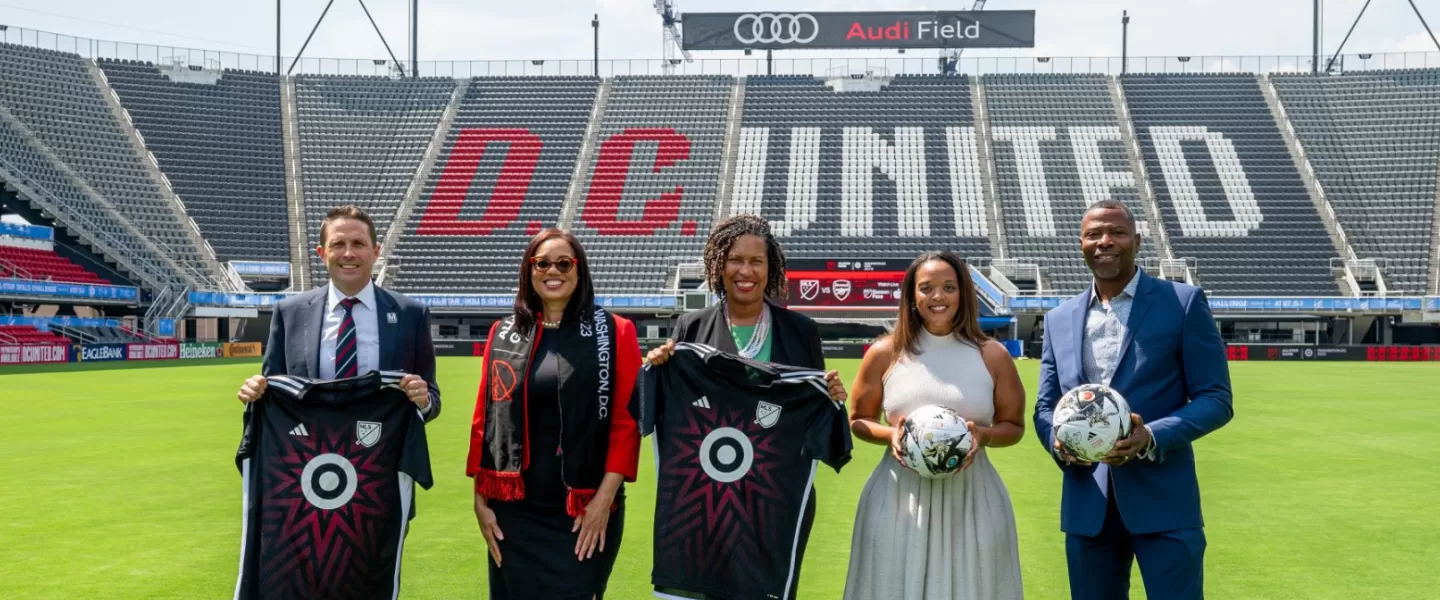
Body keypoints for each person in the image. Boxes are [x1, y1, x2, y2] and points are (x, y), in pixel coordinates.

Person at [1033, 200, 1234, 600]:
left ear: (1137, 241)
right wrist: (1060, 445)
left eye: (1117, 232)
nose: (1104, 241)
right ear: (1081, 244)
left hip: (1164, 503)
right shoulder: (1060, 318)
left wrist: (1152, 436)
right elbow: (1045, 407)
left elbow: (1216, 397)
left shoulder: (1182, 303)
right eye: (1094, 234)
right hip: (1087, 505)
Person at [466, 229, 642, 600]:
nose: (553, 271)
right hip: (514, 511)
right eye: (542, 263)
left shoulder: (615, 332)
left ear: (579, 271)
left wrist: (601, 504)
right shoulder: (504, 332)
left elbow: (627, 426)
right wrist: (480, 500)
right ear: (529, 271)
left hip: (583, 509)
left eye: (564, 263)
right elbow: (485, 420)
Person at [843, 250, 1027, 600]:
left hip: (972, 500)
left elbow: (1013, 426)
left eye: (949, 287)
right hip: (899, 499)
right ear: (912, 296)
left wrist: (982, 435)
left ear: (964, 294)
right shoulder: (884, 352)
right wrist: (891, 434)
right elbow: (858, 420)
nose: (938, 296)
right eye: (926, 288)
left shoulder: (992, 355)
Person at [236, 204, 439, 421]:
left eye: (359, 244)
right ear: (322, 254)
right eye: (338, 244)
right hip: (311, 451)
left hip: (386, 451)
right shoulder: (289, 313)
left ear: (376, 252)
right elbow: (274, 392)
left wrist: (424, 401)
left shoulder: (411, 314)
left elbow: (431, 398)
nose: (348, 253)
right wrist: (256, 392)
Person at [643, 214, 846, 403]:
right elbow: (674, 401)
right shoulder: (691, 326)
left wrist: (831, 395)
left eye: (756, 261)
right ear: (720, 265)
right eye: (735, 260)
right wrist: (659, 366)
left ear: (770, 267)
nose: (746, 271)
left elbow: (811, 404)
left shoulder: (802, 330)